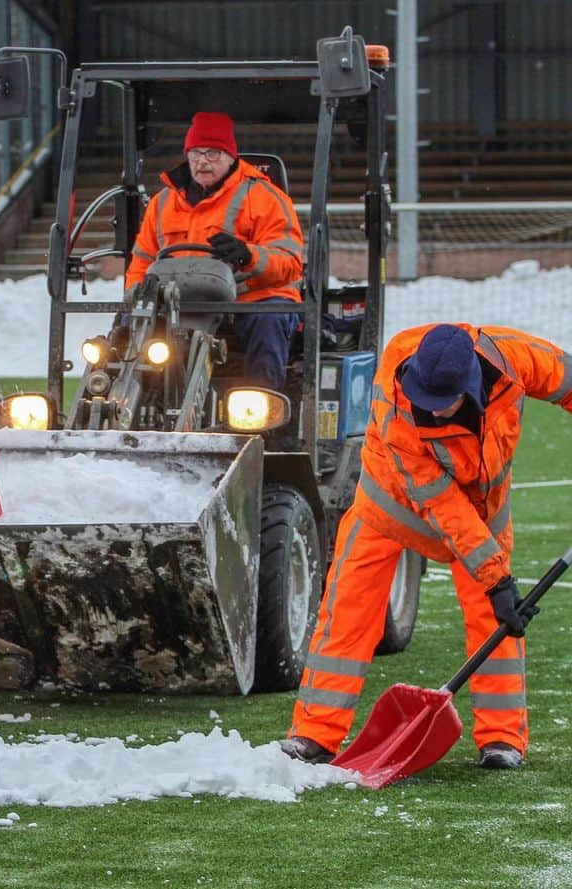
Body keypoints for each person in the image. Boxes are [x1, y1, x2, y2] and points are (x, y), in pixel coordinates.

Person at [281, 323, 571, 770]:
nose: (430, 412)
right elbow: (441, 502)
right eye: (423, 399)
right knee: (349, 611)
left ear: (470, 383)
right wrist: (496, 577)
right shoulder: (397, 406)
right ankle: (314, 735)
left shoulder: (513, 358)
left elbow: (567, 378)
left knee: (496, 619)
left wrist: (498, 588)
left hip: (481, 512)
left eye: (442, 404)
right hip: (388, 509)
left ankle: (501, 739)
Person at [124, 111, 305, 390]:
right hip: (179, 303)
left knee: (269, 319)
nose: (202, 162)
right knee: (128, 327)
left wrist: (249, 255)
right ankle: (122, 404)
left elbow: (290, 261)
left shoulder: (264, 198)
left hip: (250, 300)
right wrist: (136, 296)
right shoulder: (163, 202)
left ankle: (263, 413)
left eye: (212, 154)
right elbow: (142, 261)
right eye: (195, 154)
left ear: (231, 157)